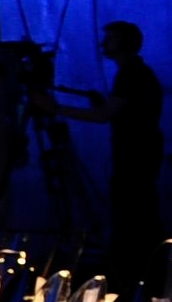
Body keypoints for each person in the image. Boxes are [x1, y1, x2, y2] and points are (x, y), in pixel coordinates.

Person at [61, 23, 165, 276]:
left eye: (110, 39)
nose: (103, 44)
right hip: (141, 154)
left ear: (126, 43)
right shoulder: (137, 73)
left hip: (134, 157)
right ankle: (143, 270)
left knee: (132, 217)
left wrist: (54, 108)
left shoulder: (130, 74)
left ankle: (133, 273)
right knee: (139, 214)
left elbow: (104, 115)